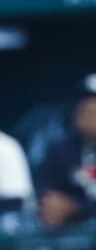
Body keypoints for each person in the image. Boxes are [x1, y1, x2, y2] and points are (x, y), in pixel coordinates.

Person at [37, 73, 96, 227]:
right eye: (86, 106)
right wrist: (54, 206)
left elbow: (74, 207)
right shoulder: (61, 149)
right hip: (74, 235)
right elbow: (46, 192)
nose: (90, 111)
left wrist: (76, 207)